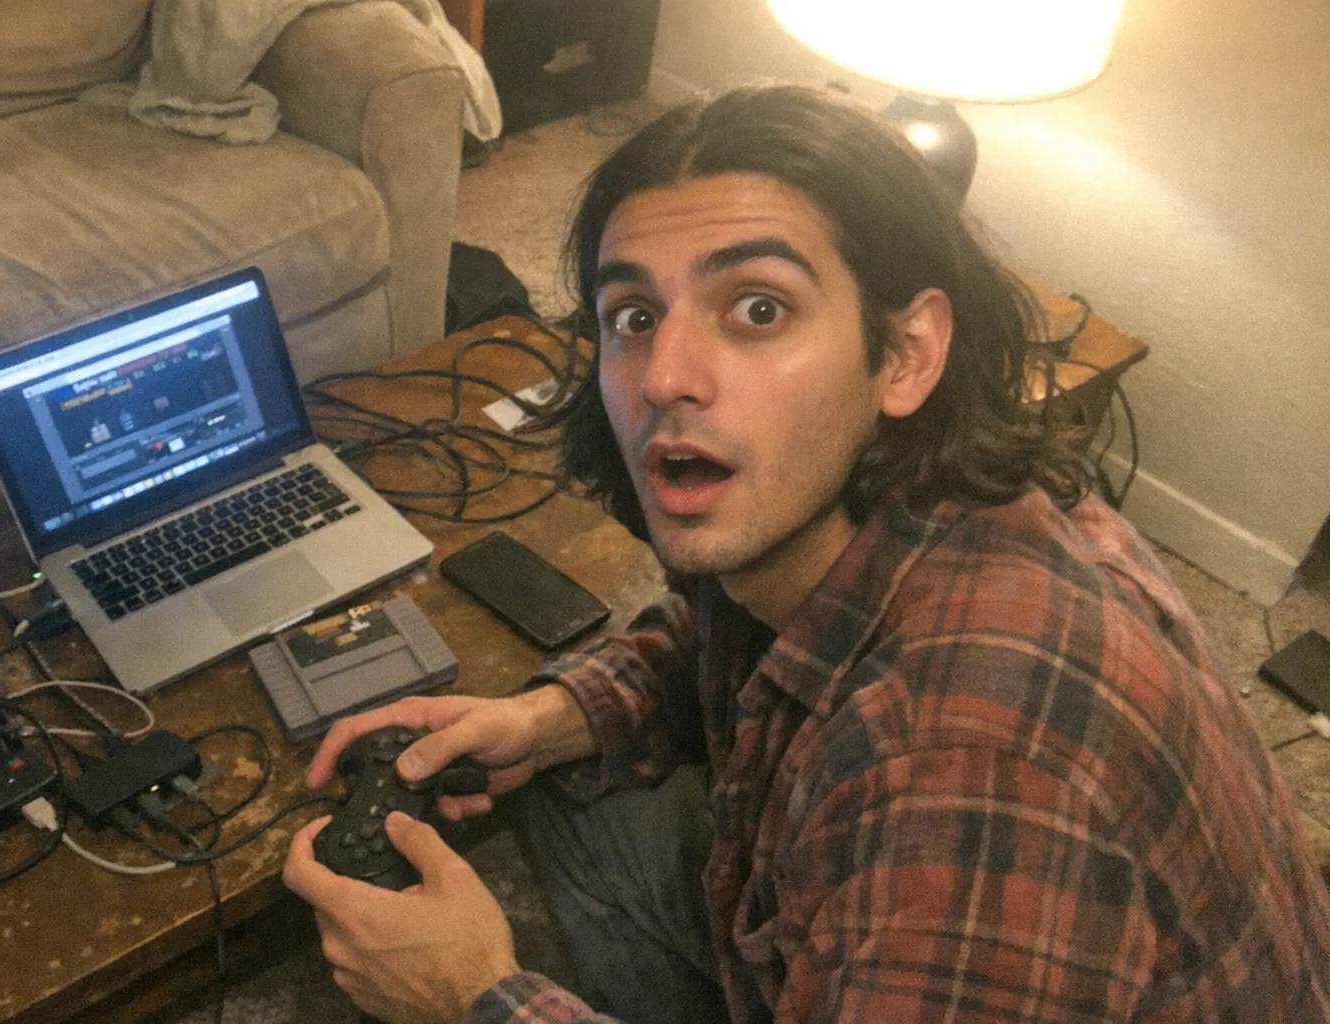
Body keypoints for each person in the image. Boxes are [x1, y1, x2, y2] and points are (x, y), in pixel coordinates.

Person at [281, 84, 1330, 1024]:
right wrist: (547, 720)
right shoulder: (880, 500)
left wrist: (474, 996)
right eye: (634, 315)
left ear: (906, 353)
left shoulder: (965, 777)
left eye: (759, 308)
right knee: (564, 784)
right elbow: (727, 631)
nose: (664, 377)